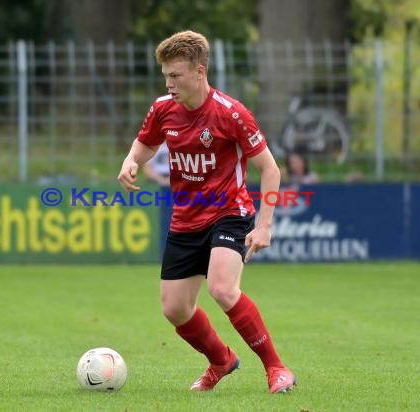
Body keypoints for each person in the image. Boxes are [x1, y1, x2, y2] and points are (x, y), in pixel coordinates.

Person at [117, 30, 296, 394]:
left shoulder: (231, 113)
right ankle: (221, 360)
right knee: (175, 309)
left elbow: (271, 170)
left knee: (222, 288)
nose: (169, 84)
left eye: (176, 76)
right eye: (165, 76)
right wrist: (131, 161)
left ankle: (277, 368)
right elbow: (145, 143)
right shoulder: (163, 108)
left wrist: (264, 227)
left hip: (229, 211)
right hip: (186, 218)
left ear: (200, 72)